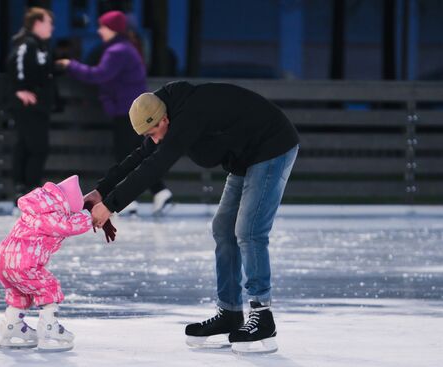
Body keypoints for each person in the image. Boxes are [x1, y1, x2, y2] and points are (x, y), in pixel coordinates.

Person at [83, 81, 299, 354]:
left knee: (249, 230)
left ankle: (262, 316)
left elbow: (156, 165)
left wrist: (111, 206)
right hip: (244, 156)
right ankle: (231, 313)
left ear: (164, 119)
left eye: (155, 132)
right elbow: (142, 154)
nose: (156, 139)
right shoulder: (162, 111)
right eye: (149, 135)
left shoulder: (187, 118)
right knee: (223, 228)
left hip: (272, 147)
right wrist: (101, 191)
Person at [56, 10, 172, 215]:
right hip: (130, 110)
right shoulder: (124, 48)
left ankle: (137, 198)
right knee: (136, 156)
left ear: (113, 29)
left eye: (102, 27)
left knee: (126, 157)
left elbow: (98, 75)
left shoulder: (117, 51)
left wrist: (70, 65)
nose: (99, 31)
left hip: (127, 112)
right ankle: (160, 192)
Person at [0, 175, 116, 352]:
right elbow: (67, 226)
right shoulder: (51, 216)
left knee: (19, 290)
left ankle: (12, 326)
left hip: (2, 259)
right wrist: (89, 215)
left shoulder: (37, 208)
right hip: (23, 262)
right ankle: (49, 327)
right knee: (48, 287)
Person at [6, 7, 56, 201]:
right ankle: (26, 191)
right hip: (28, 106)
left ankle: (26, 191)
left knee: (31, 147)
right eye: (48, 22)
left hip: (38, 106)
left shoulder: (39, 45)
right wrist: (19, 88)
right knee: (35, 147)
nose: (52, 27)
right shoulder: (27, 43)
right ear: (37, 23)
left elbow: (42, 71)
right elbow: (15, 62)